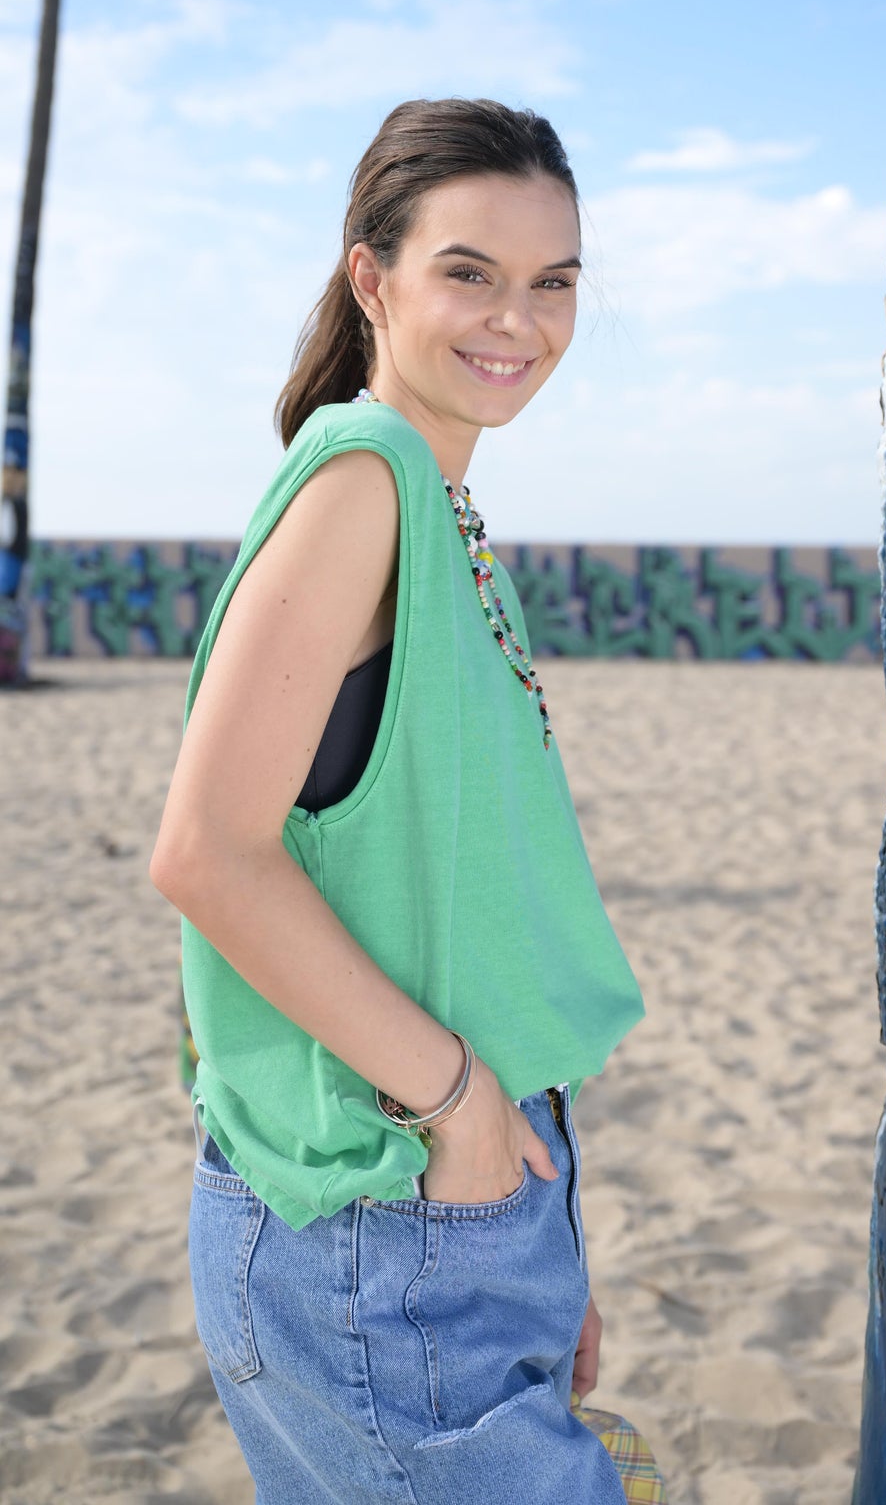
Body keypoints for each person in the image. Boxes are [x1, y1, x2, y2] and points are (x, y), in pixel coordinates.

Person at [148, 97, 652, 1503]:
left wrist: (534, 1240)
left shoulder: (440, 512)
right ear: (372, 278)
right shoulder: (362, 482)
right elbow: (207, 856)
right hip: (377, 1215)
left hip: (456, 1215)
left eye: (554, 282)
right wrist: (461, 1108)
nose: (522, 320)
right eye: (470, 272)